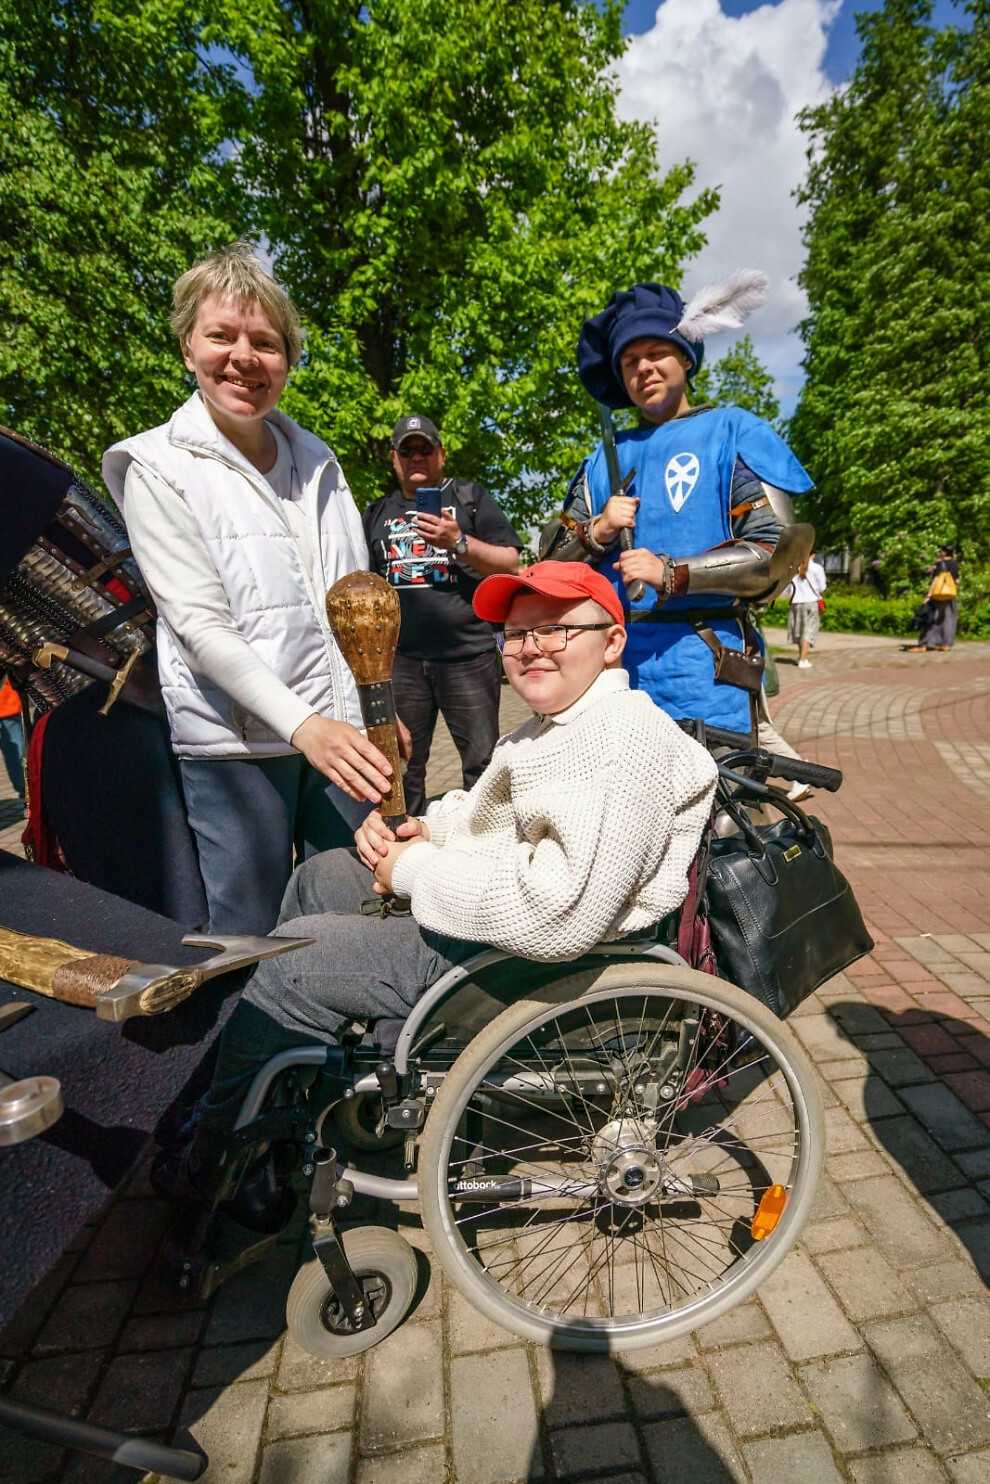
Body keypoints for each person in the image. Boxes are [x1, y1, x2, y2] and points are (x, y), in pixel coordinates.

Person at [153, 561, 718, 1212]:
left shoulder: (622, 738)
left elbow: (562, 915)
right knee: (322, 876)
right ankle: (285, 1100)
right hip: (508, 930)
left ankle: (215, 1166)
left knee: (300, 962)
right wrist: (422, 829)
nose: (531, 648)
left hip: (547, 966)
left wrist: (415, 871)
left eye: (557, 631)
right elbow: (484, 815)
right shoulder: (549, 728)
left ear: (612, 640)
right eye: (516, 635)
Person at [103, 243, 395, 935]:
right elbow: (202, 628)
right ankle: (254, 1046)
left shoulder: (317, 459)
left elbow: (354, 598)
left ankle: (344, 1044)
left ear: (288, 360)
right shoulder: (156, 466)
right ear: (185, 347)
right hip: (236, 750)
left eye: (266, 342)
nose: (244, 357)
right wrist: (306, 727)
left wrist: (371, 703)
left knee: (358, 910)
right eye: (221, 336)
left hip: (340, 738)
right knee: (249, 934)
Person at [541, 275, 815, 743]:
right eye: (629, 361)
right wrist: (599, 530)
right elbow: (549, 566)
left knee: (723, 812)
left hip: (707, 669)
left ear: (685, 357)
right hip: (613, 675)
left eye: (656, 354)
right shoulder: (601, 459)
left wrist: (671, 573)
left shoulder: (734, 432)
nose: (643, 368)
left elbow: (776, 554)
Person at [363, 415, 522, 814]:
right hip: (400, 664)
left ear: (441, 455)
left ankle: (486, 854)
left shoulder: (470, 498)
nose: (416, 457)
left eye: (425, 449)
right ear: (395, 461)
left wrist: (460, 542)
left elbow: (510, 564)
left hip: (467, 657)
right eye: (407, 451)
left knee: (484, 766)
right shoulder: (376, 513)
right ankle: (403, 855)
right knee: (400, 767)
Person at [908, 545, 960, 654]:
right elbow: (957, 581)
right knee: (948, 619)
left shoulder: (940, 564)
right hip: (950, 596)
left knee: (930, 618)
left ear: (945, 553)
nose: (938, 553)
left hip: (937, 595)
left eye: (940, 551)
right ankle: (945, 644)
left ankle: (923, 644)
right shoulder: (955, 565)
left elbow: (936, 581)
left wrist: (928, 596)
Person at [784, 552, 827, 668]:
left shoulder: (793, 568)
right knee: (808, 630)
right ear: (813, 554)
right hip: (811, 602)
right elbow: (822, 587)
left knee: (798, 630)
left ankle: (801, 656)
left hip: (795, 602)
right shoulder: (817, 568)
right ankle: (803, 659)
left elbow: (788, 588)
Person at [0, 678, 24, 810]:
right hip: (8, 702)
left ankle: (27, 797)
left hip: (7, 704)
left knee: (16, 758)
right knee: (16, 757)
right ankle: (28, 799)